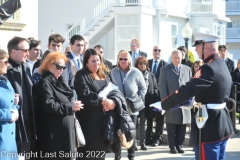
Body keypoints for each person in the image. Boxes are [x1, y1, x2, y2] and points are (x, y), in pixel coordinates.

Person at [161, 32, 234, 160]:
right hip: (222, 122)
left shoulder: (208, 68)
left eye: (198, 45)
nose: (195, 49)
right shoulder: (221, 64)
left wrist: (164, 104)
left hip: (209, 125)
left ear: (206, 47)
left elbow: (187, 90)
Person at [35, 52, 83, 159]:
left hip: (65, 132)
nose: (61, 70)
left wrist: (73, 105)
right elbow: (49, 105)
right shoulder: (45, 82)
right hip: (54, 134)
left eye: (63, 67)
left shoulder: (61, 81)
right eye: (58, 67)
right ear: (48, 65)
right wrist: (70, 106)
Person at [74, 49, 116, 160]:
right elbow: (85, 95)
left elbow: (115, 90)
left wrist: (113, 102)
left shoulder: (105, 74)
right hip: (89, 123)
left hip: (104, 121)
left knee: (101, 153)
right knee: (89, 154)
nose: (96, 63)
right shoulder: (81, 75)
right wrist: (104, 101)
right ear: (86, 62)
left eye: (98, 60)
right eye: (93, 61)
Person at [111, 50, 147, 160]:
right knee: (118, 132)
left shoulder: (136, 72)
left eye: (125, 59)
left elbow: (143, 88)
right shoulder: (113, 72)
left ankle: (131, 156)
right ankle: (117, 156)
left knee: (131, 132)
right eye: (121, 59)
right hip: (118, 108)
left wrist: (138, 98)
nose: (123, 61)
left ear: (129, 60)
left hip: (132, 109)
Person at [6, 36, 37, 154]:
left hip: (28, 118)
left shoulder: (26, 66)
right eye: (25, 50)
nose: (27, 53)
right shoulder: (6, 69)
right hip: (14, 120)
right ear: (13, 51)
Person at [159, 50, 192, 154]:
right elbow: (162, 87)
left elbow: (191, 85)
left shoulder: (187, 69)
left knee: (182, 126)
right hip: (171, 101)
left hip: (184, 102)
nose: (177, 60)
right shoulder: (165, 69)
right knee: (171, 126)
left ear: (182, 58)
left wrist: (190, 100)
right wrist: (165, 101)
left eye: (179, 58)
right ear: (172, 58)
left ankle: (180, 145)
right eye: (175, 58)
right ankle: (172, 146)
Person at [134, 56, 160, 150]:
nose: (143, 65)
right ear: (137, 64)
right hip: (135, 103)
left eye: (144, 63)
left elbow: (155, 87)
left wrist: (154, 98)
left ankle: (143, 143)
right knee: (134, 123)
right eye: (140, 63)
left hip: (146, 103)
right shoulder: (133, 74)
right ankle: (134, 144)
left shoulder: (150, 75)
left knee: (143, 123)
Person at [0, 49, 19, 160]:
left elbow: (11, 106)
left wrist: (16, 106)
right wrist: (8, 114)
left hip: (10, 141)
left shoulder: (5, 80)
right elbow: (8, 112)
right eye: (6, 62)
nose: (8, 65)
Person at [147, 45, 168, 146]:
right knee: (149, 117)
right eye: (155, 50)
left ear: (161, 52)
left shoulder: (165, 65)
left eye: (159, 50)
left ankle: (157, 139)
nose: (157, 52)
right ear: (152, 51)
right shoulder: (147, 63)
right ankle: (148, 138)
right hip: (149, 95)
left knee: (160, 118)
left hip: (160, 95)